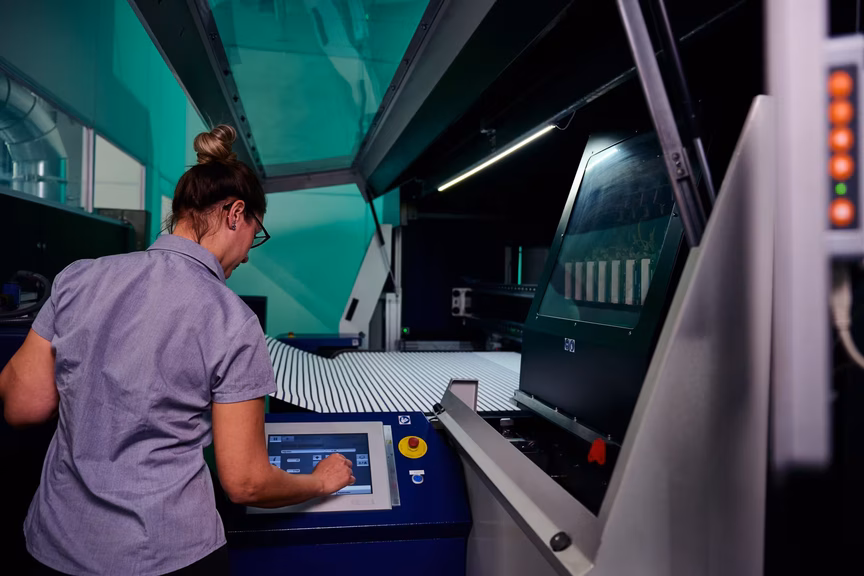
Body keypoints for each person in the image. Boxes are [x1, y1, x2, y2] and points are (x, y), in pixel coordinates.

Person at [0, 125, 354, 575]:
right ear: (235, 214)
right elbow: (246, 483)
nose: (248, 254)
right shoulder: (231, 320)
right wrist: (320, 481)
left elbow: (23, 407)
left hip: (55, 546)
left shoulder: (78, 278)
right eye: (255, 234)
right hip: (164, 556)